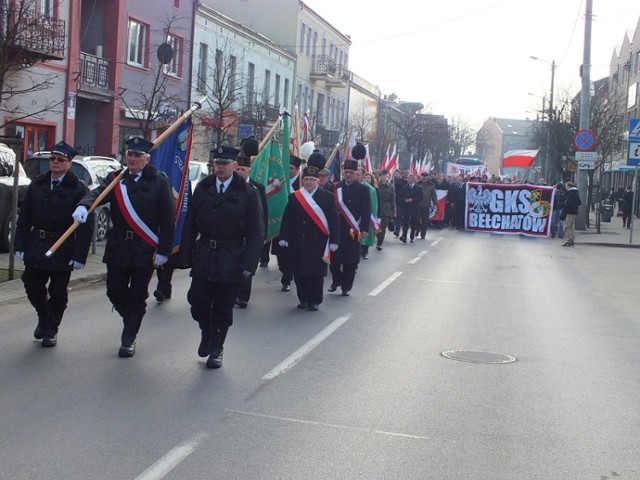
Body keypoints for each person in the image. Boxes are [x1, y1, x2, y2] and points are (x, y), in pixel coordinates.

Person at [72, 137, 175, 357]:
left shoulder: (159, 182)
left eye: (137, 155)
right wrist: (84, 205)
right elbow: (97, 194)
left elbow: (168, 220)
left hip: (144, 249)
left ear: (146, 159)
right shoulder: (116, 179)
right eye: (130, 154)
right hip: (118, 246)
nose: (132, 159)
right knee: (114, 291)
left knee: (138, 295)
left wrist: (164, 251)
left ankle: (129, 336)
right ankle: (131, 318)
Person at [180, 145, 264, 369]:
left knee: (223, 307)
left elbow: (256, 232)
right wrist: (185, 254)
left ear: (235, 166)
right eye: (217, 163)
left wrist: (250, 264)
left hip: (232, 257)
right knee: (196, 301)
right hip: (205, 254)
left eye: (225, 163)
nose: (220, 167)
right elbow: (190, 224)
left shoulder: (248, 193)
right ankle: (206, 331)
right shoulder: (204, 188)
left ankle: (217, 346)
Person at [14, 141, 93, 347]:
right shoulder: (38, 184)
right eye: (52, 159)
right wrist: (20, 244)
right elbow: (25, 217)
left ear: (69, 163)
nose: (55, 163)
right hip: (37, 243)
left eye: (60, 160)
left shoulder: (78, 189)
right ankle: (43, 314)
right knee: (31, 283)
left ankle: (52, 328)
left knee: (58, 291)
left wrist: (79, 256)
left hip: (62, 245)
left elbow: (84, 227)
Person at [279, 164, 339, 311]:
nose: (308, 182)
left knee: (315, 273)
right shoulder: (295, 197)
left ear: (318, 181)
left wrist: (334, 241)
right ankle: (303, 298)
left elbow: (334, 221)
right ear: (302, 181)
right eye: (306, 179)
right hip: (298, 241)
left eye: (312, 179)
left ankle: (315, 300)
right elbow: (287, 219)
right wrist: (284, 237)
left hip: (318, 243)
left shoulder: (327, 197)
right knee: (299, 272)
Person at [329, 147, 371, 296]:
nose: (348, 175)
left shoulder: (363, 190)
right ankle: (336, 281)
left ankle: (346, 286)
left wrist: (365, 228)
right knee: (334, 259)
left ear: (355, 174)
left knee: (350, 261)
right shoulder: (335, 187)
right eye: (346, 172)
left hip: (354, 230)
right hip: (336, 228)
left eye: (351, 172)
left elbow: (366, 211)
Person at [234, 140, 267, 308]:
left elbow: (263, 215)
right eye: (237, 169)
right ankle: (232, 294)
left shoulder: (257, 188)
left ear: (249, 170)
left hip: (250, 235)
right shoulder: (229, 186)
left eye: (243, 169)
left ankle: (243, 297)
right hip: (233, 236)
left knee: (246, 268)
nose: (240, 172)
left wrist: (263, 238)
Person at [271, 154, 303, 291]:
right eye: (286, 167)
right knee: (281, 254)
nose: (288, 170)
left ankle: (287, 278)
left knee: (292, 254)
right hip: (280, 222)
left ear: (297, 169)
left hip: (296, 225)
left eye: (290, 168)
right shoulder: (281, 180)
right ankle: (285, 271)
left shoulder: (302, 183)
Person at [358, 168, 378, 259]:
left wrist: (374, 217)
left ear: (363, 176)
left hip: (366, 216)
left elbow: (373, 205)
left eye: (358, 175)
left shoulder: (371, 189)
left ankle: (364, 250)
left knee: (365, 234)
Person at [398, 173, 423, 243]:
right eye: (408, 178)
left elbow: (421, 197)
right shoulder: (404, 187)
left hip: (414, 208)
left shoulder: (418, 188)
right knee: (405, 223)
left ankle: (412, 236)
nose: (408, 180)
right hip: (406, 208)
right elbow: (400, 196)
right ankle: (404, 236)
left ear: (413, 179)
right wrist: (405, 200)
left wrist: (413, 199)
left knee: (413, 223)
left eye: (409, 178)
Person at [375, 170, 395, 250]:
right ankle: (378, 238)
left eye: (384, 176)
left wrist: (393, 211)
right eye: (381, 176)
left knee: (382, 228)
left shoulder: (390, 186)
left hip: (386, 209)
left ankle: (379, 243)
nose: (382, 178)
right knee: (376, 227)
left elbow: (393, 199)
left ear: (387, 176)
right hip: (377, 208)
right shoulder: (376, 186)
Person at [417, 172, 438, 239]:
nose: (424, 179)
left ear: (427, 178)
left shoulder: (431, 185)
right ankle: (417, 230)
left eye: (425, 178)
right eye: (423, 178)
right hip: (418, 205)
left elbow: (434, 196)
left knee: (425, 221)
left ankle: (423, 234)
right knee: (416, 220)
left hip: (426, 205)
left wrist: (435, 204)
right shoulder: (418, 184)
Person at [562, 181, 581, 247]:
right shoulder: (575, 192)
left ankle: (569, 240)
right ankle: (571, 240)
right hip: (574, 212)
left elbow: (569, 204)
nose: (565, 187)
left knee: (567, 227)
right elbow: (579, 202)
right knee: (570, 227)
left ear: (569, 186)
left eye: (566, 186)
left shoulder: (570, 194)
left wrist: (565, 204)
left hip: (570, 212)